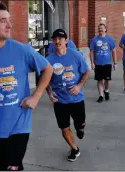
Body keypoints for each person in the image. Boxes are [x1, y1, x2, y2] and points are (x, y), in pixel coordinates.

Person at [0, 2, 53, 170]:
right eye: (3, 21)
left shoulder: (22, 50)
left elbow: (47, 68)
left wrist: (36, 96)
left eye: (9, 20)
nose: (9, 25)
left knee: (12, 167)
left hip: (19, 125)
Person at [46, 29, 91, 162]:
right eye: (55, 39)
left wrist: (79, 86)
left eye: (60, 38)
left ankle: (80, 127)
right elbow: (44, 79)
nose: (57, 41)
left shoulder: (75, 55)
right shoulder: (49, 60)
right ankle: (74, 149)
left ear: (66, 41)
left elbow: (86, 72)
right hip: (60, 101)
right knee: (64, 129)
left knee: (79, 125)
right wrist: (49, 92)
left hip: (76, 99)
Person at [89, 23, 117, 103]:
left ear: (105, 29)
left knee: (107, 80)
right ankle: (101, 95)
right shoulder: (94, 39)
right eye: (99, 28)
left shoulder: (110, 39)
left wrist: (115, 63)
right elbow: (91, 52)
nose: (100, 30)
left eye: (102, 28)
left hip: (107, 63)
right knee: (99, 80)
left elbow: (114, 51)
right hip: (98, 63)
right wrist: (92, 63)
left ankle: (106, 91)